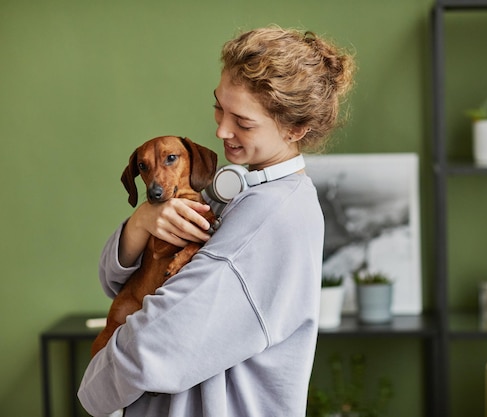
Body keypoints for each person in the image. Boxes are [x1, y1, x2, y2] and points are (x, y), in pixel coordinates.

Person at [78, 25, 355, 417]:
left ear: (296, 128)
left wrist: (93, 387)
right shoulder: (241, 193)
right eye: (219, 107)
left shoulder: (269, 216)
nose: (221, 129)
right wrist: (141, 222)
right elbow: (119, 282)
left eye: (242, 122)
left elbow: (163, 338)